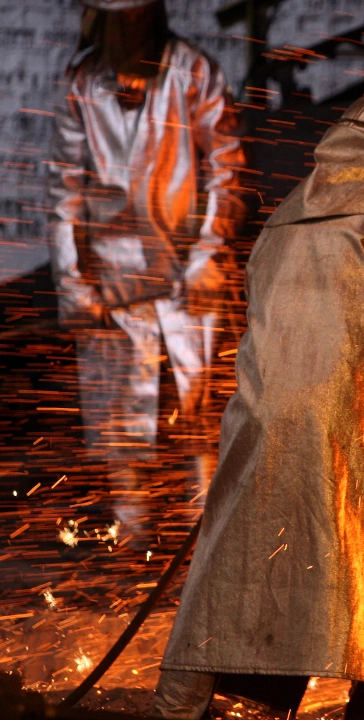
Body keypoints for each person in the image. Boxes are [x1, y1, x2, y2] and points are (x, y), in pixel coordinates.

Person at [149, 91, 364, 720]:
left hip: (261, 430)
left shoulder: (279, 228)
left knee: (252, 568)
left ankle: (215, 704)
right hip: (361, 436)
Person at [48, 0, 245, 535]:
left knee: (198, 412)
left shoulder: (193, 72)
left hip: (187, 274)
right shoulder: (82, 81)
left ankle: (207, 538)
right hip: (112, 281)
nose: (130, 28)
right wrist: (72, 284)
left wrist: (207, 254)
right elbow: (65, 187)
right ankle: (131, 540)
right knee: (121, 423)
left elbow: (225, 169)